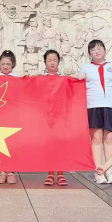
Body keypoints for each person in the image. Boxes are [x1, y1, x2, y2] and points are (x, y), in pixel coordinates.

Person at [78, 40, 112, 184]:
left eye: (99, 48)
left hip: (110, 106)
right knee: (96, 139)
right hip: (93, 106)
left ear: (104, 50)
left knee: (109, 139)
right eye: (93, 50)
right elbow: (78, 88)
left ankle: (108, 169)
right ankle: (98, 171)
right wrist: (79, 79)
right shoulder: (86, 68)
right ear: (89, 53)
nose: (97, 51)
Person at [42, 50, 68, 187]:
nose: (52, 63)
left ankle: (61, 174)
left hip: (60, 118)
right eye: (49, 60)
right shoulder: (40, 79)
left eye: (54, 60)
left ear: (59, 62)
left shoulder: (64, 79)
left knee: (60, 146)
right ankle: (50, 174)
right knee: (50, 146)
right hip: (47, 119)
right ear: (45, 62)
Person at [0, 50, 18, 184]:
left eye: (8, 64)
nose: (5, 66)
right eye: (3, 63)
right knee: (0, 144)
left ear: (13, 65)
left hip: (13, 116)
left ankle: (11, 171)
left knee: (12, 144)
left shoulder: (17, 79)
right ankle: (2, 171)